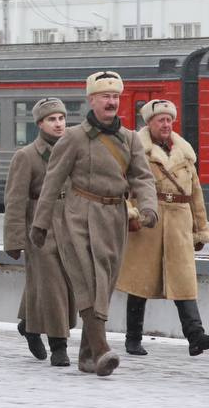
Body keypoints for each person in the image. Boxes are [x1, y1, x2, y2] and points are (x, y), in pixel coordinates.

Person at [32, 71, 158, 377]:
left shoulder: (129, 139)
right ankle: (101, 350)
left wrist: (148, 206)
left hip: (114, 218)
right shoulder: (73, 138)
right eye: (105, 97)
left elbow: (142, 177)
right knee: (87, 280)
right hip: (78, 215)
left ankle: (87, 356)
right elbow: (53, 180)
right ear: (92, 100)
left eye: (115, 97)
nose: (112, 102)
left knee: (105, 284)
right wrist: (41, 222)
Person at [116, 99, 209, 357]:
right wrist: (131, 212)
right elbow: (122, 186)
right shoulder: (137, 151)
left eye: (169, 119)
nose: (166, 124)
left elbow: (195, 194)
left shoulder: (185, 153)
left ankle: (196, 337)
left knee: (184, 280)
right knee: (140, 283)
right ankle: (132, 338)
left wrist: (201, 228)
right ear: (150, 123)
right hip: (149, 222)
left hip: (179, 223)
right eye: (161, 120)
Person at [3, 98, 76, 367]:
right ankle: (59, 345)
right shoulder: (27, 156)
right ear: (40, 124)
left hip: (69, 225)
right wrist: (14, 239)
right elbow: (14, 200)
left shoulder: (73, 150)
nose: (58, 124)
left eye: (61, 118)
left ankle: (29, 325)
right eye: (52, 119)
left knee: (60, 283)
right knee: (53, 285)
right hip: (39, 228)